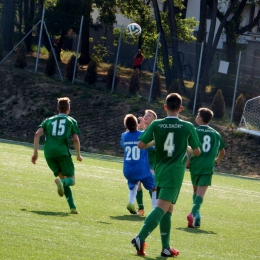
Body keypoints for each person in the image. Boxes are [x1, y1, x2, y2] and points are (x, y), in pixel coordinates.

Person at [131, 93, 201, 257]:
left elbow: (140, 144)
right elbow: (197, 151)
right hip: (175, 172)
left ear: (164, 107)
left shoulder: (156, 124)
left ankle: (166, 247)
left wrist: (155, 141)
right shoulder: (187, 126)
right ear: (181, 108)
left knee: (168, 209)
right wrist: (187, 148)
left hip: (160, 170)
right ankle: (140, 237)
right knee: (161, 208)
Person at [31, 97, 82, 214]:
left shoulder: (48, 120)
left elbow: (37, 134)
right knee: (71, 181)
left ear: (57, 108)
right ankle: (62, 183)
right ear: (68, 109)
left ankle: (72, 207)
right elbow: (75, 139)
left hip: (48, 153)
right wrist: (78, 154)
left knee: (63, 178)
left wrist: (35, 153)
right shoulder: (71, 120)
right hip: (62, 152)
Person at [186, 108, 225, 228]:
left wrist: (187, 161)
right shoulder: (216, 134)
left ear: (201, 118)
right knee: (201, 193)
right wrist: (217, 161)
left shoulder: (194, 131)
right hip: (208, 166)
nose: (196, 116)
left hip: (195, 164)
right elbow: (222, 152)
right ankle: (194, 213)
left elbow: (189, 149)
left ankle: (196, 214)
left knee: (195, 191)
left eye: (198, 115)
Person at [120, 114, 157, 215]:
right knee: (154, 187)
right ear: (137, 124)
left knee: (134, 184)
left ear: (126, 126)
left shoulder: (124, 135)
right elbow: (151, 147)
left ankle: (131, 202)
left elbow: (123, 144)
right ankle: (155, 209)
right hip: (141, 168)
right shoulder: (142, 134)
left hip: (127, 169)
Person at [136, 109, 157, 216]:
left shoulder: (155, 132)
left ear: (154, 120)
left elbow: (152, 147)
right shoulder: (143, 130)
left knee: (151, 183)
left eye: (149, 115)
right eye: (145, 115)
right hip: (141, 162)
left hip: (152, 162)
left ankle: (155, 208)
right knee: (136, 183)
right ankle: (140, 208)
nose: (146, 116)